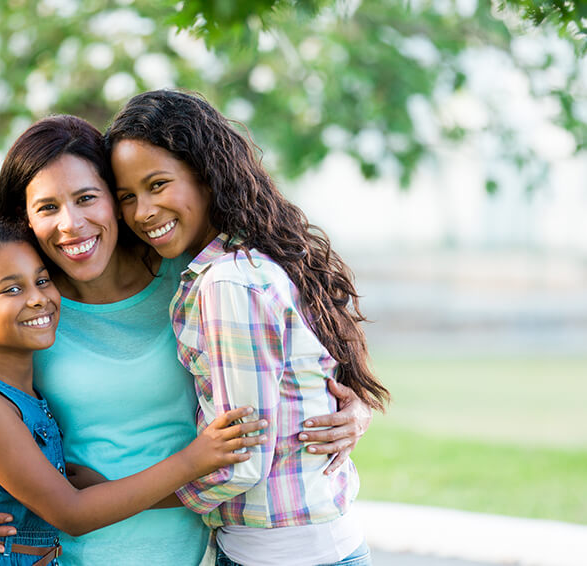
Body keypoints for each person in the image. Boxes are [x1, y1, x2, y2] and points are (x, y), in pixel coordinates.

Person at [0, 116, 375, 566]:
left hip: (203, 550)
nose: (71, 224)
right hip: (79, 553)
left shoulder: (190, 275)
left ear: (114, 199)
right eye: (48, 207)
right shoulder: (27, 312)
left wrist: (352, 406)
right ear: (23, 220)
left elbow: (299, 345)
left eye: (87, 197)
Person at [0, 221, 268, 566]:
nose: (38, 299)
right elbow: (70, 513)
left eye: (42, 280)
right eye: (11, 289)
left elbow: (73, 497)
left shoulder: (22, 391)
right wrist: (194, 460)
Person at [105, 89, 391, 566]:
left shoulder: (227, 282)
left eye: (157, 185)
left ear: (205, 175)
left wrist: (119, 499)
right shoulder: (253, 260)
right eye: (128, 197)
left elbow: (241, 461)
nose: (142, 212)